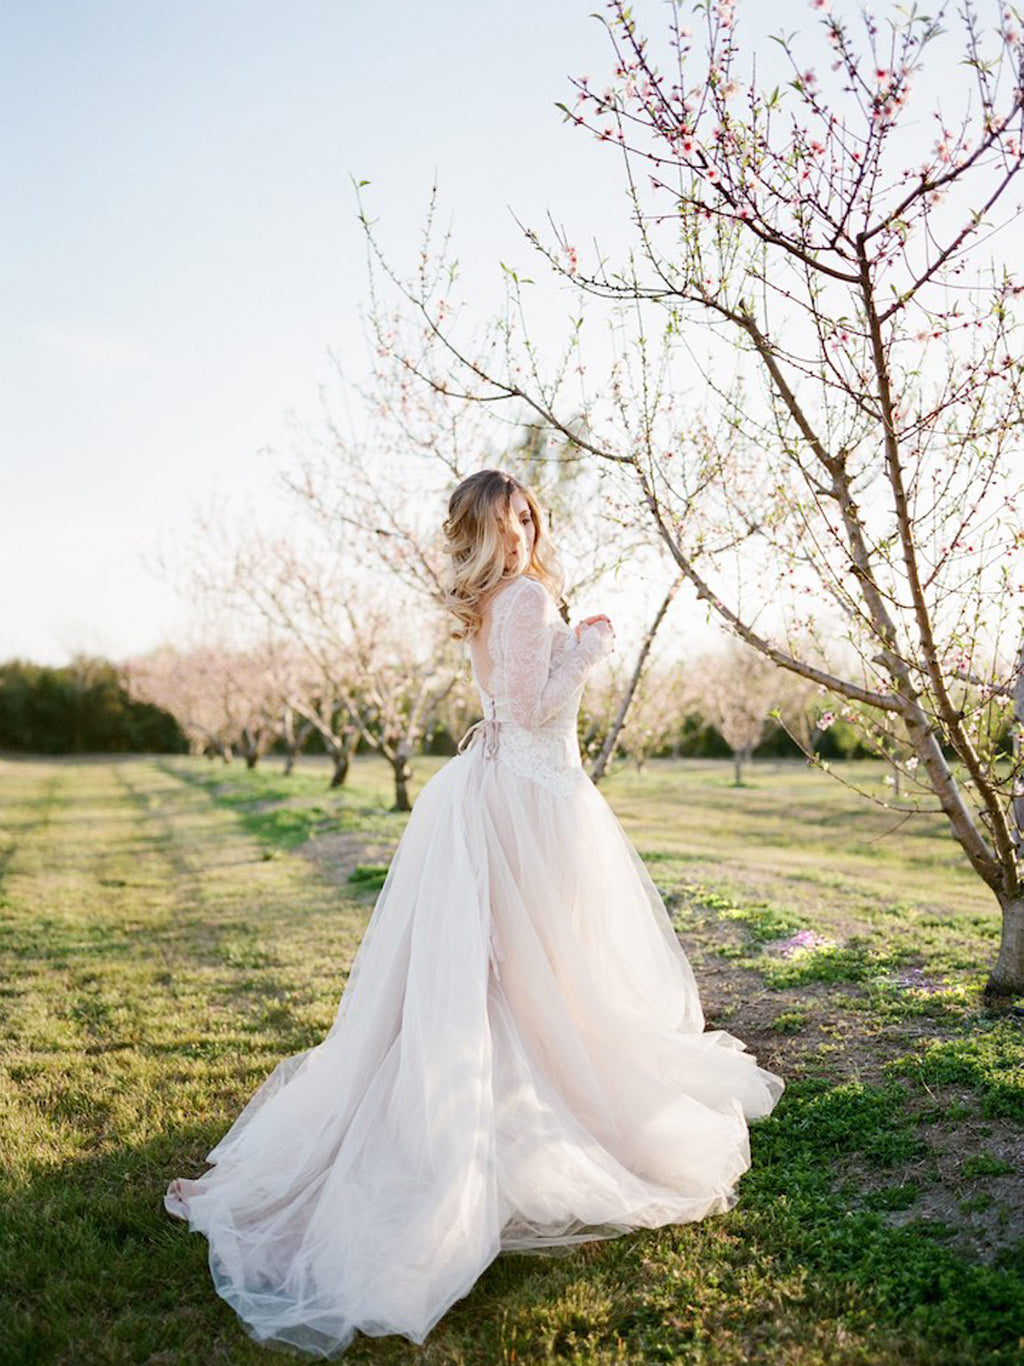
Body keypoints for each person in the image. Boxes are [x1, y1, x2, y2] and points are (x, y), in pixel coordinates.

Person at [164, 468, 785, 1359]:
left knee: (503, 971)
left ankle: (500, 1109)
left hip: (494, 792)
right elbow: (531, 708)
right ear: (483, 532)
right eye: (507, 520)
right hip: (533, 801)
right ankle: (517, 1128)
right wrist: (594, 644)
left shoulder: (491, 601)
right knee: (541, 970)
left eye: (529, 514)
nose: (524, 530)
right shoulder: (526, 600)